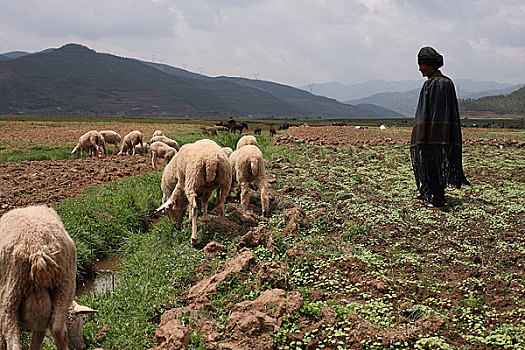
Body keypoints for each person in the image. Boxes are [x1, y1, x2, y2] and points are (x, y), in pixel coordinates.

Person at [411, 46, 470, 207]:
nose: (419, 68)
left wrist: (424, 135)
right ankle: (428, 191)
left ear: (430, 65)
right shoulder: (445, 82)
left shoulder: (435, 84)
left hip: (434, 136)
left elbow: (434, 114)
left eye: (421, 64)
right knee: (434, 164)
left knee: (433, 164)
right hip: (442, 134)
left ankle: (436, 198)